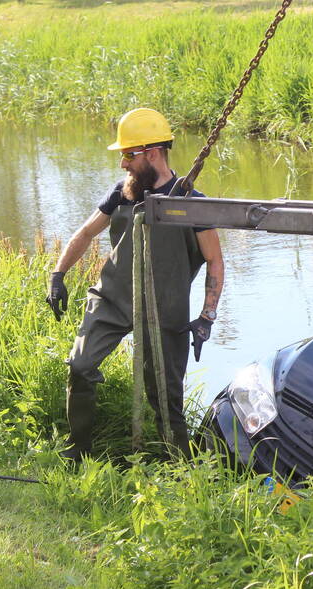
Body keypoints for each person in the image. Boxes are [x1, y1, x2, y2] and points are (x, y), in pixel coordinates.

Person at [45, 108, 224, 460]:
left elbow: (215, 260)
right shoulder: (123, 193)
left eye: (128, 155)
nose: (123, 164)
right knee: (80, 367)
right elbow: (85, 233)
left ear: (152, 152)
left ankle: (178, 466)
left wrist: (207, 316)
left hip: (165, 308)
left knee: (166, 394)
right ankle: (77, 451)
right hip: (113, 298)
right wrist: (58, 274)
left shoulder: (192, 204)